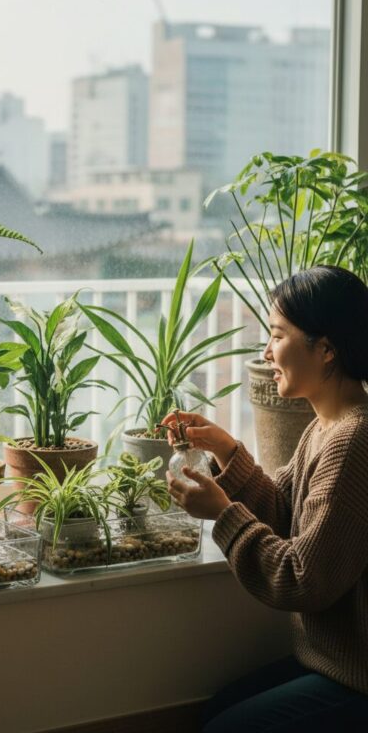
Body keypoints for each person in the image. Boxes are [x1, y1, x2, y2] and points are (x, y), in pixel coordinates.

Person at [161, 265, 368, 732]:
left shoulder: (354, 441)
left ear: (327, 349)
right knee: (213, 712)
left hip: (356, 678)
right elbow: (283, 514)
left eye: (276, 336)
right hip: (327, 662)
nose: (266, 352)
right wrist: (227, 450)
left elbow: (302, 579)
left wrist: (222, 514)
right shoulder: (326, 426)